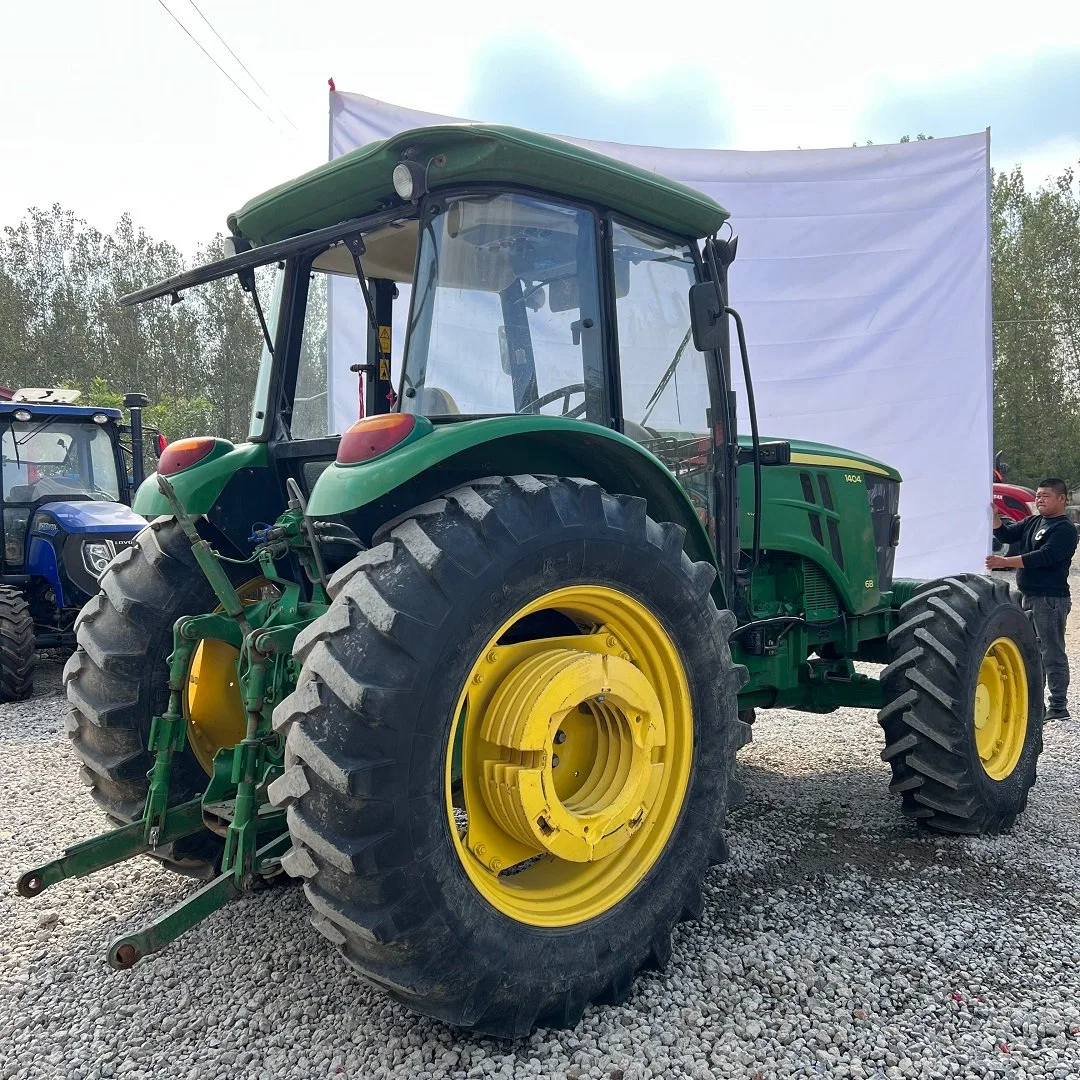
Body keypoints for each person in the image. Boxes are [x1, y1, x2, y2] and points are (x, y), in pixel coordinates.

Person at [987, 478, 1078, 721]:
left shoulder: (1066, 529)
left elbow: (1045, 556)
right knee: (1031, 650)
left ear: (1062, 499)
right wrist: (995, 517)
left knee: (1052, 651)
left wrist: (1005, 562)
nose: (1040, 500)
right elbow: (1006, 535)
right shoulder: (1032, 521)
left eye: (1046, 496)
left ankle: (1058, 705)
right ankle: (1035, 702)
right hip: (1027, 596)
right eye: (1038, 495)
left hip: (1050, 600)